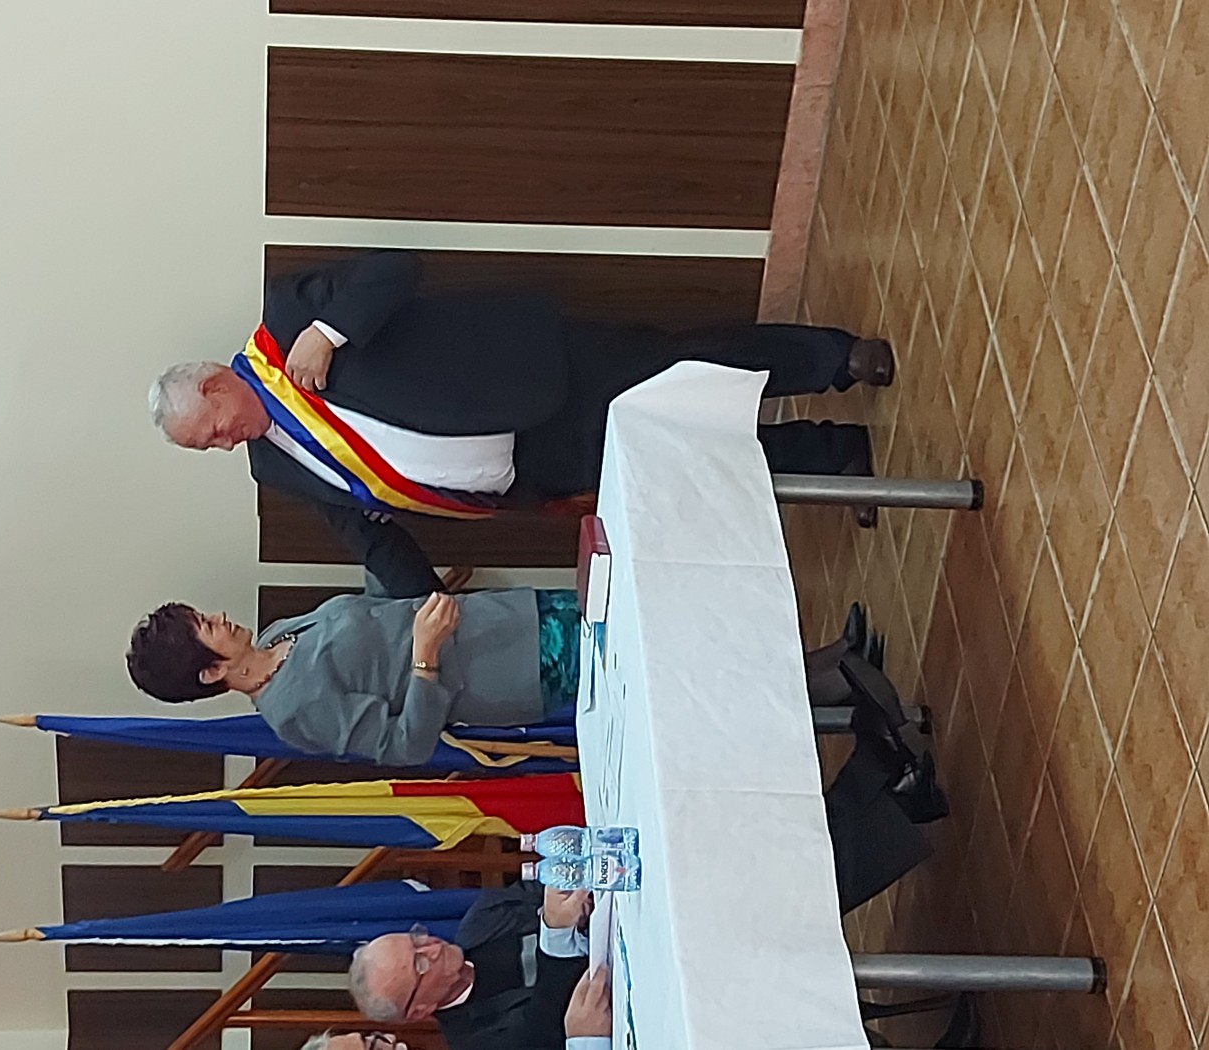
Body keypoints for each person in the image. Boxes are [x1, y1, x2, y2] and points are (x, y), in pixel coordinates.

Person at [150, 250, 891, 598]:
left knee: (692, 369)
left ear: (215, 385)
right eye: (207, 448)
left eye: (210, 431)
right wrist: (424, 604)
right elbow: (364, 530)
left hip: (536, 374)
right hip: (536, 467)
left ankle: (835, 360)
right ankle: (832, 454)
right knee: (684, 459)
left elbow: (394, 270)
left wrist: (329, 330)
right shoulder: (272, 464)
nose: (222, 444)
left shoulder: (286, 320)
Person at [125, 588, 582, 766]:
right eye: (208, 625)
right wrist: (425, 654)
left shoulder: (274, 634)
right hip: (514, 667)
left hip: (504, 612)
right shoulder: (294, 712)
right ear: (212, 672)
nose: (220, 615)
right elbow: (407, 746)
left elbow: (372, 625)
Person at [348, 884, 607, 1050]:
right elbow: (549, 1021)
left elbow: (541, 885)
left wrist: (570, 895)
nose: (433, 947)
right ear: (419, 1011)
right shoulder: (475, 1040)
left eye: (416, 939)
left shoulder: (482, 918)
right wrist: (556, 929)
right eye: (420, 963)